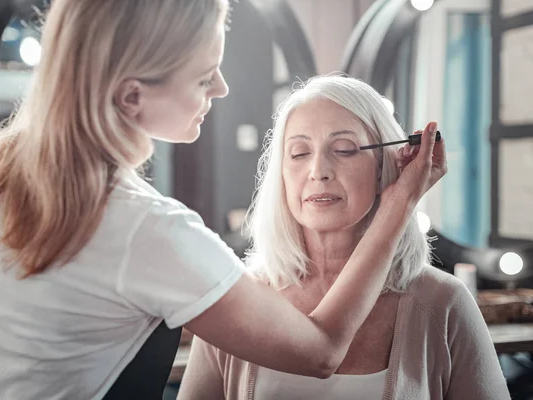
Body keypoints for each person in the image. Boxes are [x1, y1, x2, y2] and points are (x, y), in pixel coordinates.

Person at [0, 1, 446, 399]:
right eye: (204, 76)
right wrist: (401, 203)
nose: (221, 88)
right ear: (132, 97)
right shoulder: (148, 230)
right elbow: (321, 351)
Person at [177, 75, 509, 400]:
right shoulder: (237, 300)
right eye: (299, 153)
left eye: (344, 149)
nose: (318, 170)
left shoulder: (443, 302)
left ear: (384, 166)